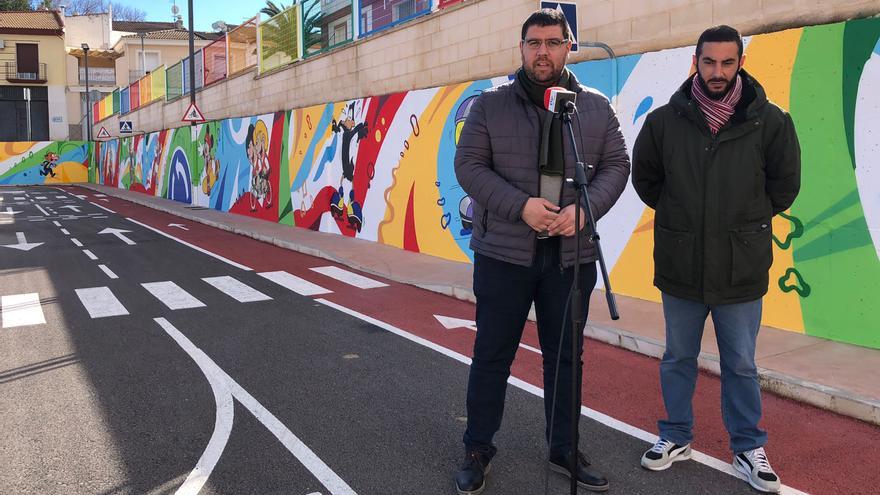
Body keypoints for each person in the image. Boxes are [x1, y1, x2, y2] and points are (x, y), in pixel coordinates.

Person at [453, 8, 630, 494]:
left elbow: (617, 164)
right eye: (534, 43)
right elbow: (468, 166)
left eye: (553, 42)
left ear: (569, 46)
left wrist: (583, 210)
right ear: (522, 48)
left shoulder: (594, 106)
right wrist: (521, 207)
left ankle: (563, 447)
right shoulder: (489, 106)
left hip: (571, 258)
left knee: (566, 357)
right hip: (505, 255)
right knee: (492, 355)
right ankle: (477, 447)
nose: (543, 52)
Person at [631, 25, 800, 494]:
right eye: (709, 62)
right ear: (696, 61)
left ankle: (748, 446)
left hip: (739, 266)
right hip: (681, 262)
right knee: (678, 357)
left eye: (727, 63)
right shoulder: (664, 122)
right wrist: (683, 214)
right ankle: (675, 436)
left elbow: (784, 186)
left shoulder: (770, 122)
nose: (718, 72)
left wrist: (744, 221)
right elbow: (647, 180)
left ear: (740, 63)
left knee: (741, 363)